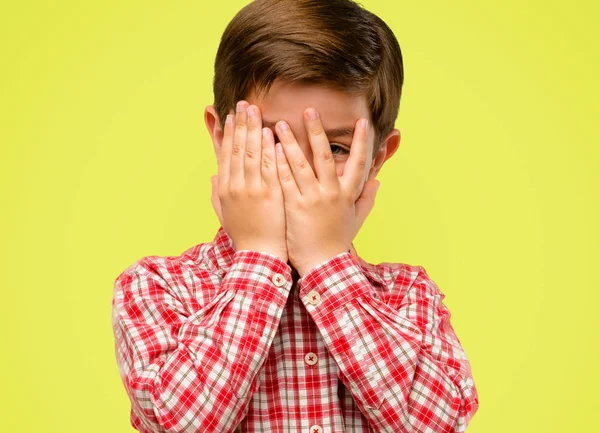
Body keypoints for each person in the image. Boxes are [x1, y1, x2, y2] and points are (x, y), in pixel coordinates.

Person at [111, 0, 479, 432]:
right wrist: (259, 255)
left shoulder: (408, 297)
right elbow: (181, 423)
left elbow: (439, 424)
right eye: (271, 140)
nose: (298, 172)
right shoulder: (156, 288)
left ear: (378, 157)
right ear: (221, 135)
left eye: (335, 149)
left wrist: (327, 262)